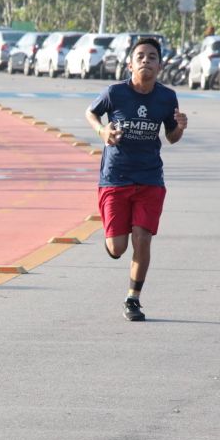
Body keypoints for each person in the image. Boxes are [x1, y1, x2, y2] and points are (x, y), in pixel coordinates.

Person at [84, 37, 188, 321]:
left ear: (160, 66)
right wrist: (103, 132)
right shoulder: (115, 93)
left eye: (152, 57)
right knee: (118, 248)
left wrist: (179, 127)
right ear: (130, 64)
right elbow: (91, 112)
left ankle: (133, 299)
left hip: (150, 178)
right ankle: (114, 234)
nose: (146, 61)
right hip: (115, 178)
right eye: (140, 56)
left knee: (142, 239)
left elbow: (171, 137)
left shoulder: (167, 97)